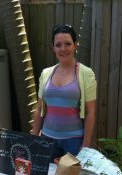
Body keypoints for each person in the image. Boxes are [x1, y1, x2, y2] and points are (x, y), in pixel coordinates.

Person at [32, 24, 97, 160]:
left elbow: (91, 112)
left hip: (73, 142)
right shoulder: (46, 74)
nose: (63, 49)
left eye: (68, 44)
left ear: (75, 46)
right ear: (53, 48)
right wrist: (33, 138)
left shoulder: (86, 74)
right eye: (58, 45)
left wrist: (85, 145)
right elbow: (39, 109)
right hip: (47, 140)